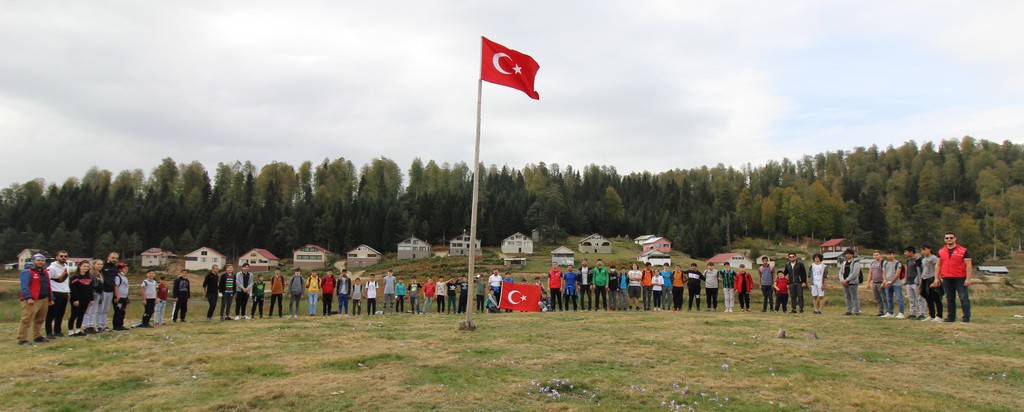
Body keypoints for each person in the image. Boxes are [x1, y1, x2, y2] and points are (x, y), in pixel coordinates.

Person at [936, 231, 972, 323]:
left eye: (951, 238)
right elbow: (938, 265)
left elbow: (968, 265)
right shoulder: (941, 251)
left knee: (963, 297)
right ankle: (951, 317)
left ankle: (966, 318)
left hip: (960, 277)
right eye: (947, 238)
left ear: (955, 238)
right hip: (946, 277)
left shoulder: (963, 251)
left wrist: (968, 278)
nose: (949, 239)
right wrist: (936, 277)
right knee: (949, 298)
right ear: (944, 239)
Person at [18, 254, 53, 345]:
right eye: (38, 260)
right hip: (33, 299)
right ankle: (22, 338)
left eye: (42, 260)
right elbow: (24, 286)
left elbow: (48, 285)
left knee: (40, 319)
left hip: (44, 299)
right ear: (33, 261)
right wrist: (28, 297)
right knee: (27, 319)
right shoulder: (27, 272)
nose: (40, 262)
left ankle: (37, 336)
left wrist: (50, 298)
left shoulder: (45, 272)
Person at [44, 250, 71, 339]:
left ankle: (57, 331)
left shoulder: (67, 268)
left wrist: (68, 291)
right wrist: (49, 295)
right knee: (51, 314)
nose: (63, 258)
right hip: (55, 293)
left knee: (60, 314)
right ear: (57, 257)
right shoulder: (51, 268)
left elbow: (66, 281)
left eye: (65, 256)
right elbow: (46, 281)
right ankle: (49, 332)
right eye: (61, 256)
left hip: (64, 293)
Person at [68, 261, 94, 336]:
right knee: (74, 315)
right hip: (77, 299)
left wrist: (91, 299)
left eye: (87, 266)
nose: (86, 268)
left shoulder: (88, 277)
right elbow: (73, 289)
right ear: (80, 266)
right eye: (84, 266)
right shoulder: (75, 277)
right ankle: (70, 331)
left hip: (85, 299)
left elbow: (90, 289)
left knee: (81, 315)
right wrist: (75, 299)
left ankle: (78, 330)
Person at [919, 245, 943, 322]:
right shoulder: (923, 260)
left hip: (932, 278)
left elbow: (938, 269)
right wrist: (921, 283)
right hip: (925, 279)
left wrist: (936, 280)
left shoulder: (934, 258)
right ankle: (931, 315)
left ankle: (939, 315)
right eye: (922, 250)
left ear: (929, 249)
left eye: (924, 250)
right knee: (928, 298)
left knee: (936, 298)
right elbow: (923, 271)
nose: (923, 252)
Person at [99, 253, 121, 332]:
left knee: (106, 309)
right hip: (103, 290)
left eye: (116, 258)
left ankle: (104, 326)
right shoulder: (103, 266)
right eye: (113, 258)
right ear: (108, 257)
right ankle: (99, 325)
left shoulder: (115, 267)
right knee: (100, 309)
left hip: (111, 290)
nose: (114, 259)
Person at [82, 259, 104, 334]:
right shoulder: (91, 274)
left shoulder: (100, 274)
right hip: (91, 294)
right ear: (94, 265)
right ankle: (86, 326)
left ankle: (91, 325)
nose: (100, 266)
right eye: (98, 264)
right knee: (88, 311)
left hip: (98, 294)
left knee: (94, 311)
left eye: (101, 264)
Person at [838, 248, 862, 316]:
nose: (847, 255)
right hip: (844, 283)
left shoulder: (855, 263)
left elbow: (855, 273)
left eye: (849, 254)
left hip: (852, 282)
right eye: (846, 254)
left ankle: (856, 311)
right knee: (847, 296)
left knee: (854, 297)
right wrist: (842, 280)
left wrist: (847, 279)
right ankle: (849, 310)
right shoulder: (844, 263)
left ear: (852, 254)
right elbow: (840, 272)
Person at [903, 247, 924, 320]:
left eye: (906, 252)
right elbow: (907, 270)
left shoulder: (918, 260)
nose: (905, 253)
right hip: (909, 282)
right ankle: (913, 313)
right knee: (911, 299)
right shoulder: (908, 260)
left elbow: (921, 271)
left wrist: (920, 282)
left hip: (916, 282)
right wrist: (905, 280)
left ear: (911, 252)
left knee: (920, 298)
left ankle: (922, 313)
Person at [882, 250, 904, 318]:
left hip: (896, 284)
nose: (889, 256)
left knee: (899, 298)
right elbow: (884, 273)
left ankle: (901, 312)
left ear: (894, 255)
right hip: (887, 283)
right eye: (887, 254)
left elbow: (897, 274)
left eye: (890, 254)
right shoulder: (886, 264)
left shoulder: (898, 263)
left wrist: (891, 282)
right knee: (889, 298)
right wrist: (885, 280)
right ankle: (890, 312)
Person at [111, 263, 131, 330]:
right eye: (124, 268)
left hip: (124, 297)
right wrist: (117, 296)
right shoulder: (118, 277)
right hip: (119, 297)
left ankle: (121, 325)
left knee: (123, 311)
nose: (126, 270)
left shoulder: (125, 277)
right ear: (120, 269)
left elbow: (125, 288)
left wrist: (127, 297)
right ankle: (116, 326)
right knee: (118, 311)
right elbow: (116, 286)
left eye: (127, 268)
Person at [868, 251, 887, 317]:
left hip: (881, 282)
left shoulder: (884, 263)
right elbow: (870, 273)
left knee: (884, 297)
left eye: (877, 255)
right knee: (877, 298)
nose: (875, 256)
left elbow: (885, 273)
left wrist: (884, 281)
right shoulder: (872, 263)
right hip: (874, 282)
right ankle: (880, 311)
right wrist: (868, 282)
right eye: (874, 255)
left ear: (880, 255)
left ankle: (887, 311)